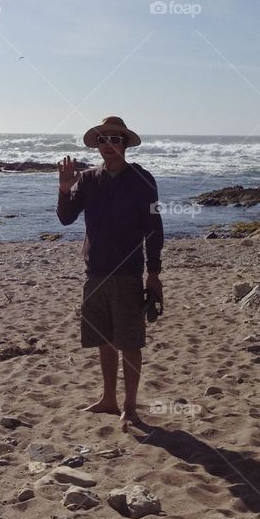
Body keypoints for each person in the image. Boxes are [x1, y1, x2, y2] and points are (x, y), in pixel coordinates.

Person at [56, 116, 164, 430]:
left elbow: (154, 229)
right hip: (95, 273)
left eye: (115, 140)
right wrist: (64, 188)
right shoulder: (88, 179)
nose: (108, 146)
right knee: (104, 339)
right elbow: (66, 219)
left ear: (125, 144)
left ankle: (130, 406)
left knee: (130, 342)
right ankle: (108, 400)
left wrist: (154, 273)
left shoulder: (144, 181)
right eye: (103, 140)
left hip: (128, 273)